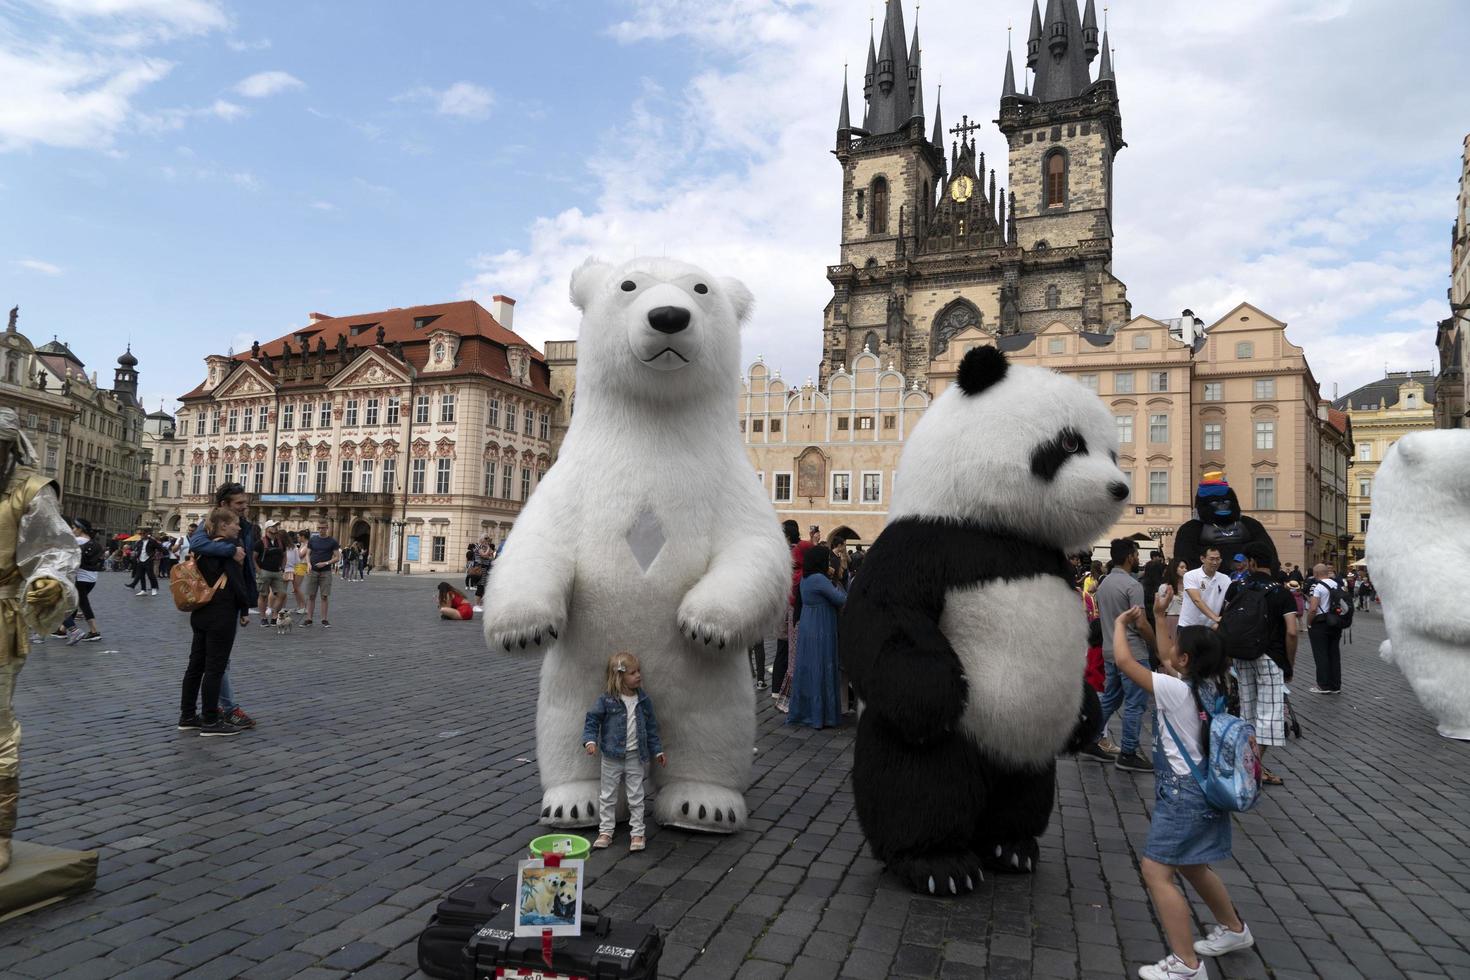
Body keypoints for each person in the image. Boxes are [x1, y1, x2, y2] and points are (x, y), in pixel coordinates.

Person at [1113, 605, 1255, 980]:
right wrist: (1157, 619)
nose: (1170, 648)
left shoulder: (1175, 690)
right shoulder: (1214, 684)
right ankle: (1235, 930)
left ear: (1186, 659)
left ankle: (1186, 964)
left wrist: (1117, 625)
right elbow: (1164, 656)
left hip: (1182, 794)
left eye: (1177, 644)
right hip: (1206, 787)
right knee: (1193, 864)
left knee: (1157, 872)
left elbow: (1126, 662)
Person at [1221, 542, 1297, 787]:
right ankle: (1251, 767)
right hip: (1270, 658)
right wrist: (1289, 664)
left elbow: (1227, 622)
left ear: (1251, 563)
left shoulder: (1236, 587)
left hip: (1242, 656)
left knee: (1248, 714)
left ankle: (1251, 764)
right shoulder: (1281, 592)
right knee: (1269, 716)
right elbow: (1292, 632)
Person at [188, 483, 259, 730]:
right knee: (218, 662)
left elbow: (246, 563)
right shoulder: (208, 525)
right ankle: (224, 710)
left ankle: (196, 713)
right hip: (218, 604)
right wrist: (230, 550)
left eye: (245, 503)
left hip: (228, 601)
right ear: (224, 506)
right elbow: (196, 544)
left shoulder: (246, 527)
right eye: (239, 504)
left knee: (211, 662)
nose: (245, 508)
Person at [583, 651, 665, 852]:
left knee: (636, 795)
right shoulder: (606, 700)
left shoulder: (643, 701)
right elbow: (592, 720)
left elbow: (652, 728)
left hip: (635, 756)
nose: (638, 675)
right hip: (611, 756)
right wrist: (590, 741)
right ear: (620, 676)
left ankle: (637, 832)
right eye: (633, 673)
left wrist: (657, 751)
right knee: (608, 795)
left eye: (639, 671)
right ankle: (606, 831)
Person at [1086, 538, 1153, 771]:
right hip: (1133, 652)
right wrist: (1155, 645)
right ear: (1129, 557)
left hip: (1110, 649)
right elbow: (1141, 623)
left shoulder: (1104, 583)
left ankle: (1090, 738)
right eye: (1136, 554)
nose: (1138, 558)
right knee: (1135, 704)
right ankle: (1128, 752)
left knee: (1111, 698)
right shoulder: (1133, 586)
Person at [786, 545, 847, 729]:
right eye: (827, 560)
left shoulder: (806, 578)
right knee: (822, 665)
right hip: (821, 627)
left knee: (809, 666)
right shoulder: (820, 579)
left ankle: (806, 710)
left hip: (808, 624)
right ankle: (822, 715)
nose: (829, 563)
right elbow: (841, 599)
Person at [769, 520, 801, 706]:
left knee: (783, 649)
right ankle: (780, 687)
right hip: (790, 606)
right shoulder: (791, 552)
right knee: (785, 649)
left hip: (785, 606)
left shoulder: (785, 553)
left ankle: (777, 688)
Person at [62, 517, 104, 644]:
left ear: (80, 529)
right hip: (92, 578)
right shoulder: (94, 543)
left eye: (74, 528)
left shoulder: (75, 541)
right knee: (76, 603)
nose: (73, 530)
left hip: (79, 578)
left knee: (81, 604)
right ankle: (62, 629)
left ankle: (94, 631)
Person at [1305, 562, 1344, 695]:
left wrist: (1309, 623)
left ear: (1316, 574)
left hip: (1320, 623)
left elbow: (1313, 608)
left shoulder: (1318, 587)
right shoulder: (1337, 584)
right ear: (1327, 572)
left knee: (1321, 654)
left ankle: (1324, 685)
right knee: (1334, 653)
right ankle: (1336, 685)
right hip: (1335, 622)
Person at [303, 521, 340, 628]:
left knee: (324, 596)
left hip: (326, 571)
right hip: (313, 571)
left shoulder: (332, 541)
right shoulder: (313, 540)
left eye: (323, 528)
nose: (321, 530)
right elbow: (308, 554)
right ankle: (309, 619)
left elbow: (337, 557)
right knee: (311, 596)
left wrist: (326, 563)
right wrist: (308, 563)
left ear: (327, 528)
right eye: (319, 528)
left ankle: (324, 619)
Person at [1180, 547, 1228, 629]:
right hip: (1189, 626)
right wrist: (1215, 618)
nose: (1215, 562)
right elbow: (1197, 600)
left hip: (1211, 627)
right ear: (1202, 559)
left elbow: (1228, 602)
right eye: (1211, 559)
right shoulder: (1190, 575)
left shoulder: (1225, 579)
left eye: (1218, 559)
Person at [254, 521, 287, 626]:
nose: (275, 528)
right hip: (264, 571)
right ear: (267, 528)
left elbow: (284, 556)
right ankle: (263, 618)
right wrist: (258, 570)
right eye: (273, 526)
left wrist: (282, 568)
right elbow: (253, 558)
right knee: (263, 595)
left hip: (277, 572)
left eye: (276, 526)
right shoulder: (260, 542)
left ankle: (274, 614)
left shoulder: (280, 542)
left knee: (282, 594)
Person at [1159, 558, 1187, 645]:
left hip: (1186, 620)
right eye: (1182, 567)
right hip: (1171, 619)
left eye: (1186, 567)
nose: (1185, 570)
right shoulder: (1164, 587)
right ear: (1174, 569)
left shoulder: (1189, 586)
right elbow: (1161, 609)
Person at [130, 531, 159, 596]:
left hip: (148, 560)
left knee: (150, 575)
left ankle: (154, 589)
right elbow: (138, 550)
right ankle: (143, 590)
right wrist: (136, 557)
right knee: (141, 575)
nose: (141, 535)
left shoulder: (152, 541)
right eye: (140, 534)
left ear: (147, 534)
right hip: (140, 560)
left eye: (143, 534)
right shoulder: (139, 542)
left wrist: (156, 555)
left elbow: (160, 548)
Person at [287, 530, 309, 613]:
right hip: (297, 566)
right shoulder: (302, 544)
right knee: (295, 588)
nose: (297, 538)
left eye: (299, 537)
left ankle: (303, 607)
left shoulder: (307, 545)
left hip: (301, 566)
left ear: (303, 537)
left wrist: (295, 550)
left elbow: (299, 555)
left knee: (297, 587)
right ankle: (300, 606)